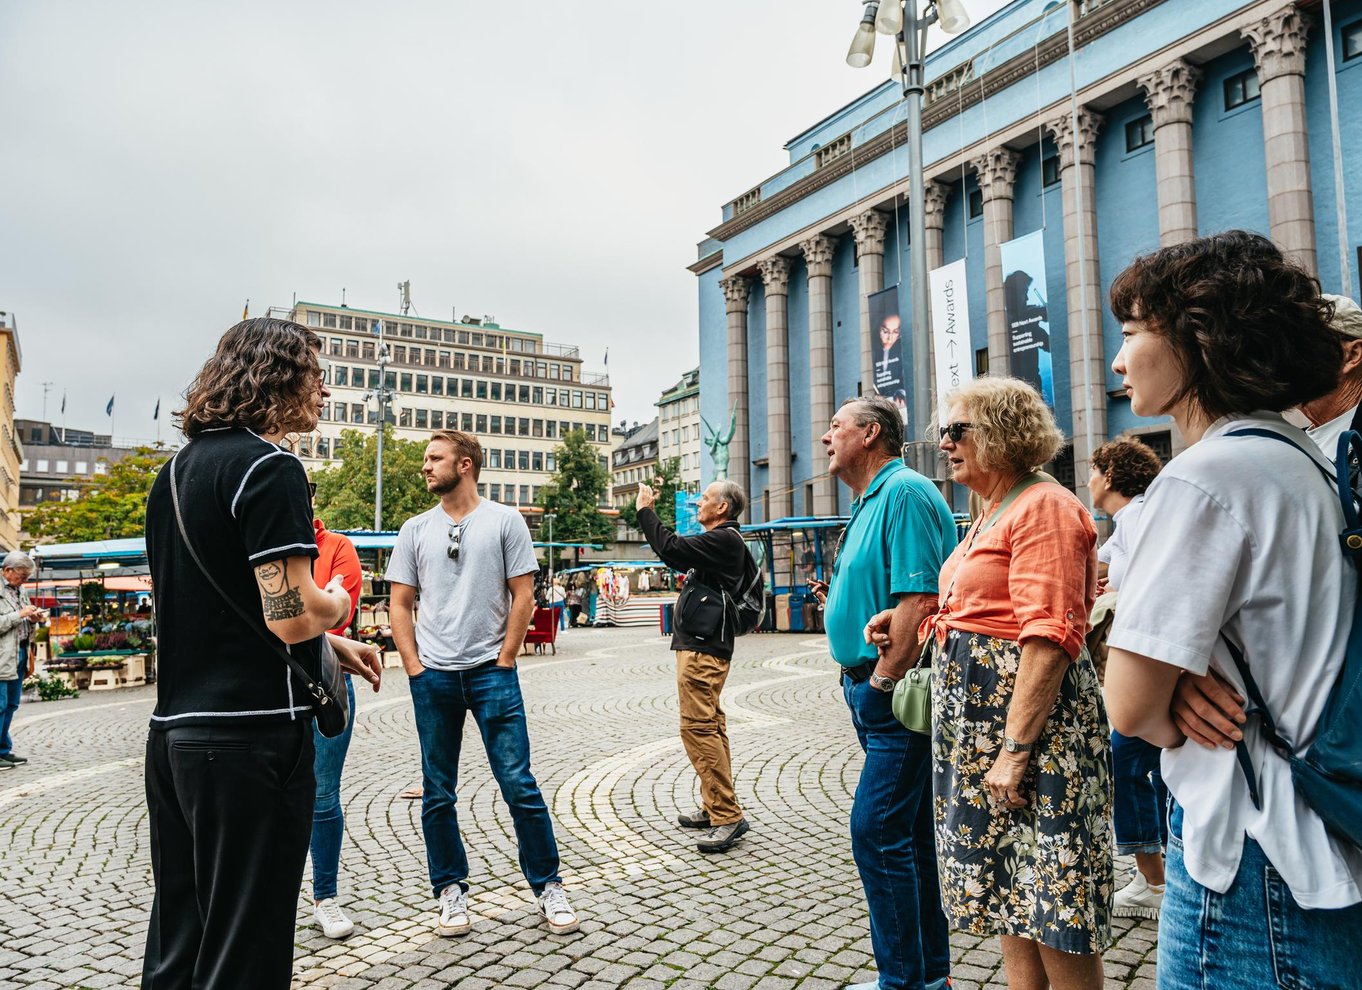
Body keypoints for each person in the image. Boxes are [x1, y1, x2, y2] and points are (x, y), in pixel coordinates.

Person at [1104, 231, 1362, 988]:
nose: (1119, 360)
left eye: (1131, 332)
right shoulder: (1302, 458)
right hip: (1323, 832)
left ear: (1196, 337)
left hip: (1252, 853)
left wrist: (1165, 693)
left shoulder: (1206, 477)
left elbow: (1128, 706)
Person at [141, 317, 382, 990]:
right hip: (249, 739)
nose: (325, 391)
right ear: (279, 376)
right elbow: (290, 613)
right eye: (315, 372)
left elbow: (212, 608)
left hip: (177, 735)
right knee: (245, 952)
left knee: (180, 942)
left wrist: (330, 642)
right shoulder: (269, 468)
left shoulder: (174, 473)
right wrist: (333, 602)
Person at [886, 376, 1111, 989]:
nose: (945, 443)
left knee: (1055, 900)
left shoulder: (1045, 505)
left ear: (1005, 434)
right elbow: (982, 606)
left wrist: (1015, 751)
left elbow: (1050, 635)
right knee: (1014, 893)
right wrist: (925, 623)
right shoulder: (994, 507)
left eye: (958, 430)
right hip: (984, 732)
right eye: (943, 432)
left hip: (1036, 735)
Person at [385, 430, 579, 938]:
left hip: (492, 675)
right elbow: (400, 603)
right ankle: (450, 891)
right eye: (425, 459)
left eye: (435, 458)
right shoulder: (414, 529)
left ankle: (548, 885)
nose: (425, 467)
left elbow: (524, 594)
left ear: (465, 464)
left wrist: (506, 658)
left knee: (519, 785)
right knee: (437, 792)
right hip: (435, 677)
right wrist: (413, 667)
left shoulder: (504, 520)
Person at [817, 394, 956, 990]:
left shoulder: (903, 492)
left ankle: (904, 983)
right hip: (871, 692)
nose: (827, 437)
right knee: (906, 837)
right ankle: (928, 978)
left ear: (870, 435)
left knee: (875, 831)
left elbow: (920, 600)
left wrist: (880, 682)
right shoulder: (870, 499)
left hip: (894, 695)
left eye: (836, 426)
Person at [635, 478, 753, 854]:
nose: (697, 505)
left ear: (722, 508)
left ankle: (726, 815)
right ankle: (714, 803)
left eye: (703, 499)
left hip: (704, 649)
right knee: (711, 727)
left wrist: (644, 510)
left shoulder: (724, 538)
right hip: (704, 645)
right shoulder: (722, 542)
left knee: (698, 729)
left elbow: (671, 549)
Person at [1089, 437, 1167, 920]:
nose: (1090, 480)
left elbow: (1144, 584)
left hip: (1146, 659)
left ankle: (1154, 882)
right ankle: (1157, 874)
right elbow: (1102, 566)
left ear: (1112, 475)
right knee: (1149, 762)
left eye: (1096, 470)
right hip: (1144, 658)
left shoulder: (1139, 515)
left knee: (1126, 756)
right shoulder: (1126, 522)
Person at [307, 505, 364, 939]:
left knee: (324, 794)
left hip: (327, 683)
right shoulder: (256, 540)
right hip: (266, 691)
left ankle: (325, 897)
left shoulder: (337, 546)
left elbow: (336, 617)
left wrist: (318, 609)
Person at [0, 551, 41, 770]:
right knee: (0, 704)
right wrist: (21, 615)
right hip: (2, 655)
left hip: (20, 652)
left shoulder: (20, 591)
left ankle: (3, 750)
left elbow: (24, 620)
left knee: (12, 704)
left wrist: (34, 618)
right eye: (22, 576)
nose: (25, 581)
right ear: (8, 570)